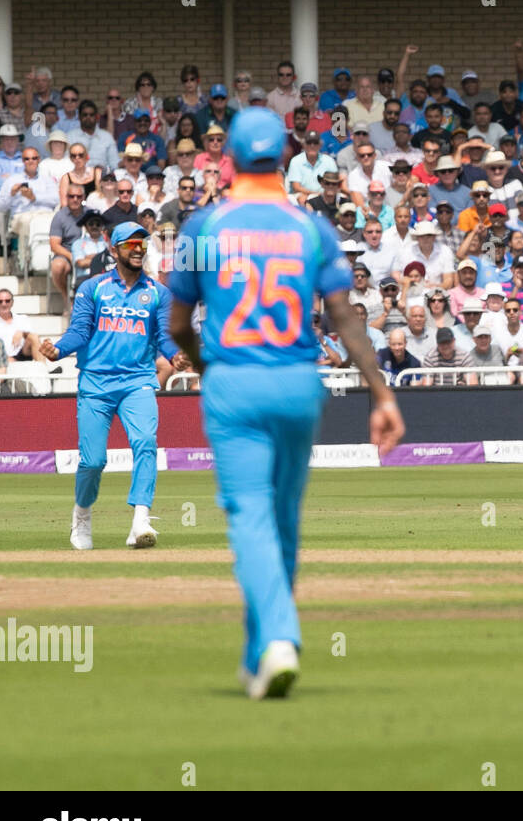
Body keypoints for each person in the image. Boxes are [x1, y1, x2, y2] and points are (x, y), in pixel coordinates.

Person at [167, 108, 404, 700]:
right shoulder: (311, 228)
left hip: (234, 380)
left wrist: (204, 366)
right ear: (284, 156)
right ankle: (259, 657)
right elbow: (345, 317)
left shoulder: (203, 227)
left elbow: (176, 325)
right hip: (299, 382)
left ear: (231, 162)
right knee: (284, 519)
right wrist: (381, 391)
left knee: (250, 515)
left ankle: (278, 637)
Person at [39, 221, 188, 550]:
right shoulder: (93, 288)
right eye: (131, 244)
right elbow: (79, 332)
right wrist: (58, 350)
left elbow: (163, 336)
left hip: (137, 382)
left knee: (146, 443)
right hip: (96, 382)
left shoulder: (159, 293)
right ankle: (81, 515)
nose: (138, 250)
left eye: (143, 244)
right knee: (92, 461)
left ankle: (140, 521)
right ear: (114, 249)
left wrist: (175, 356)